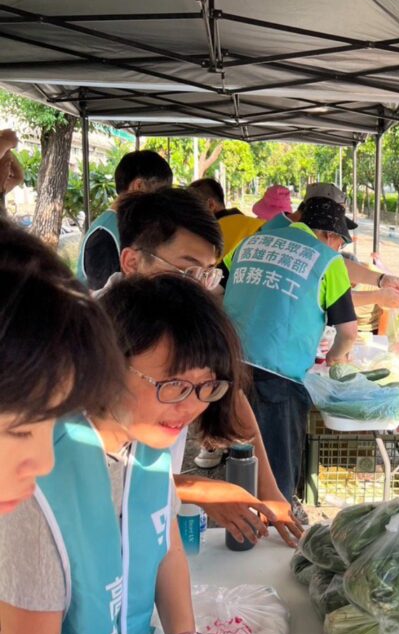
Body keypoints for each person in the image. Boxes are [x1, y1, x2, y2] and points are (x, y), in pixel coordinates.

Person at [0, 223, 217, 634]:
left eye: (206, 387)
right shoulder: (32, 491)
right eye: (20, 431)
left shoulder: (146, 451)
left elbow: (164, 543)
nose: (39, 457)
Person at [113, 188, 301, 548]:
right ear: (132, 262)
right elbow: (89, 473)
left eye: (208, 276)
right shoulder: (87, 343)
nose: (198, 290)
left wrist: (272, 493)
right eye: (185, 271)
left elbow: (233, 398)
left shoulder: (181, 326)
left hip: (147, 525)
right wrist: (198, 489)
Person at [224, 195, 358, 503]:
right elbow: (348, 332)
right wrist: (336, 359)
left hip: (229, 362)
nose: (338, 248)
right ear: (330, 236)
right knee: (277, 462)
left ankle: (240, 517)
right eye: (340, 241)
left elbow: (223, 288)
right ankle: (273, 522)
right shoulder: (327, 259)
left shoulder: (251, 243)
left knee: (241, 448)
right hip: (277, 374)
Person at [77, 150, 173, 290]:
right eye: (162, 191)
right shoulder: (104, 234)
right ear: (138, 186)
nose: (164, 199)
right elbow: (103, 299)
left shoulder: (129, 224)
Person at [190, 177, 258, 258]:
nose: (189, 214)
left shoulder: (210, 234)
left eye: (193, 207)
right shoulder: (251, 224)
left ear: (211, 205)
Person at [0, 127, 24, 217]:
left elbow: (19, 177)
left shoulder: (2, 189)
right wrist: (9, 142)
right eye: (7, 165)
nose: (10, 171)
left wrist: (7, 149)